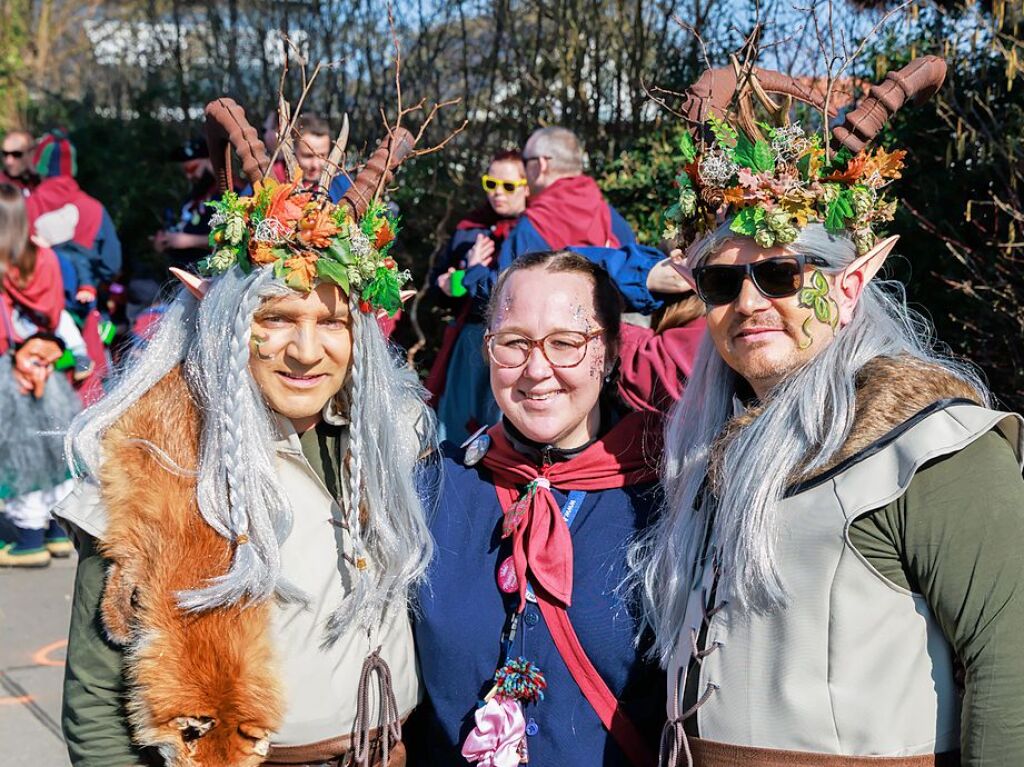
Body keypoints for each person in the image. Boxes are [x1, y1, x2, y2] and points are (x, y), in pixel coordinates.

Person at [641, 57, 1024, 765]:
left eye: (782, 274)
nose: (750, 302)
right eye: (724, 281)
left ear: (850, 285)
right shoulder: (703, 454)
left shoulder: (933, 448)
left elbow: (1012, 670)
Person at [55, 99, 432, 767]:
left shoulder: (396, 436)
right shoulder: (154, 464)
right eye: (278, 317)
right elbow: (95, 705)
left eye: (332, 322)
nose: (306, 351)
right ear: (228, 317)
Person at [414, 250, 708, 767]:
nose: (536, 370)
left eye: (566, 344)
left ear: (612, 352)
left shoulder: (670, 497)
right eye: (513, 344)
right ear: (488, 351)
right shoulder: (432, 489)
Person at [0, 183, 88, 566]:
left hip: (12, 367)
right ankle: (56, 534)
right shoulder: (47, 259)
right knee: (50, 446)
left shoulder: (3, 264)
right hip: (48, 365)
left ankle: (29, 540)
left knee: (19, 453)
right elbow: (57, 312)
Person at [425, 149, 528, 443]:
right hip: (471, 337)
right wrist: (450, 284)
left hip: (516, 341)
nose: (497, 193)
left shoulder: (531, 232)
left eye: (508, 186)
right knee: (457, 427)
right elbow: (441, 285)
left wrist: (473, 272)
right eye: (490, 184)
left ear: (526, 186)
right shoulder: (471, 228)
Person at [152, 137, 219, 269]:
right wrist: (166, 240)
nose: (189, 176)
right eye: (185, 171)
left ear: (210, 161)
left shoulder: (228, 193)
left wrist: (189, 241)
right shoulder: (193, 197)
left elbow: (232, 238)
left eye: (192, 168)